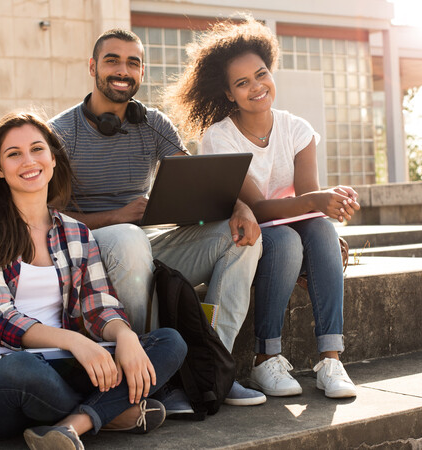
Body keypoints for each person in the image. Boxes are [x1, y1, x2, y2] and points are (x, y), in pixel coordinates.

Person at [0, 112, 187, 449]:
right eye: (14, 154)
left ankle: (73, 424)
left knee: (169, 342)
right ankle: (109, 414)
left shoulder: (76, 233)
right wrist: (75, 341)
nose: (28, 161)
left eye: (37, 149)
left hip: (61, 368)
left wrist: (124, 336)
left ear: (52, 159)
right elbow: (1, 322)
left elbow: (100, 307)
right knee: (23, 369)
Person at [48, 29, 266, 407]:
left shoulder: (153, 124)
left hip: (143, 246)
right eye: (112, 60)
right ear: (92, 67)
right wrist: (118, 216)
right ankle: (155, 379)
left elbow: (198, 181)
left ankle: (212, 370)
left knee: (241, 235)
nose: (123, 69)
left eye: (133, 62)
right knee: (130, 239)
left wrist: (239, 207)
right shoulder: (62, 132)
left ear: (142, 72)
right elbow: (49, 219)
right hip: (90, 256)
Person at [167, 17, 360, 400]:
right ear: (228, 93)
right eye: (243, 83)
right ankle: (265, 358)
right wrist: (316, 200)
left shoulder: (297, 129)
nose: (257, 87)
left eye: (261, 74)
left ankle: (331, 359)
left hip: (290, 231)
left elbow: (309, 205)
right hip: (254, 235)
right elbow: (259, 208)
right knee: (286, 238)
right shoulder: (219, 137)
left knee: (321, 230)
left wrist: (328, 207)